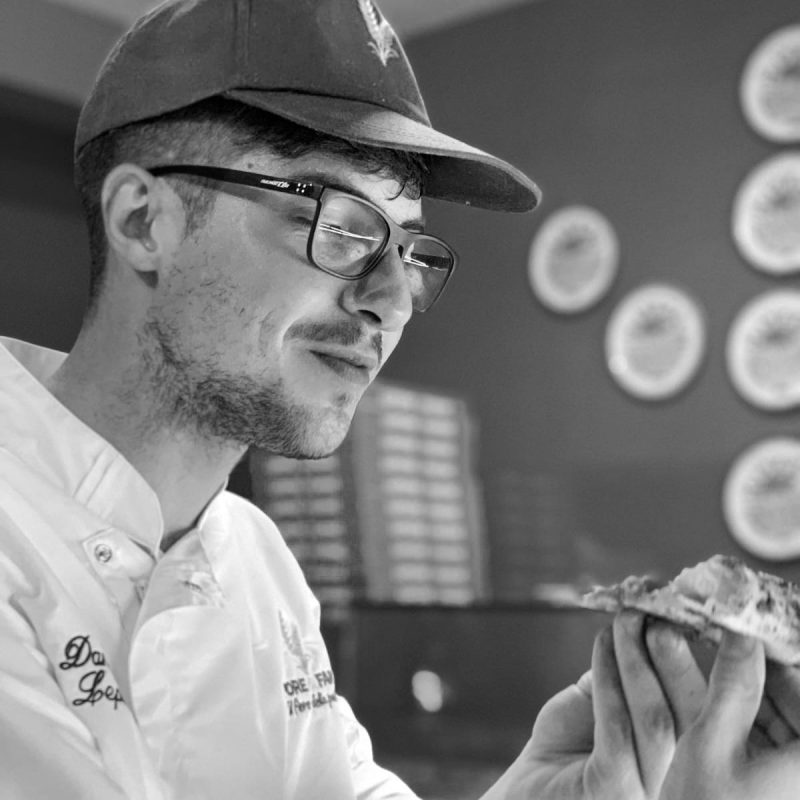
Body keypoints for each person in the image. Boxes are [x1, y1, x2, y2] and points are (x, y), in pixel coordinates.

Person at [2, 0, 799, 797]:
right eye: (341, 226)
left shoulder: (254, 559)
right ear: (144, 221)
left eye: (409, 249)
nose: (391, 301)